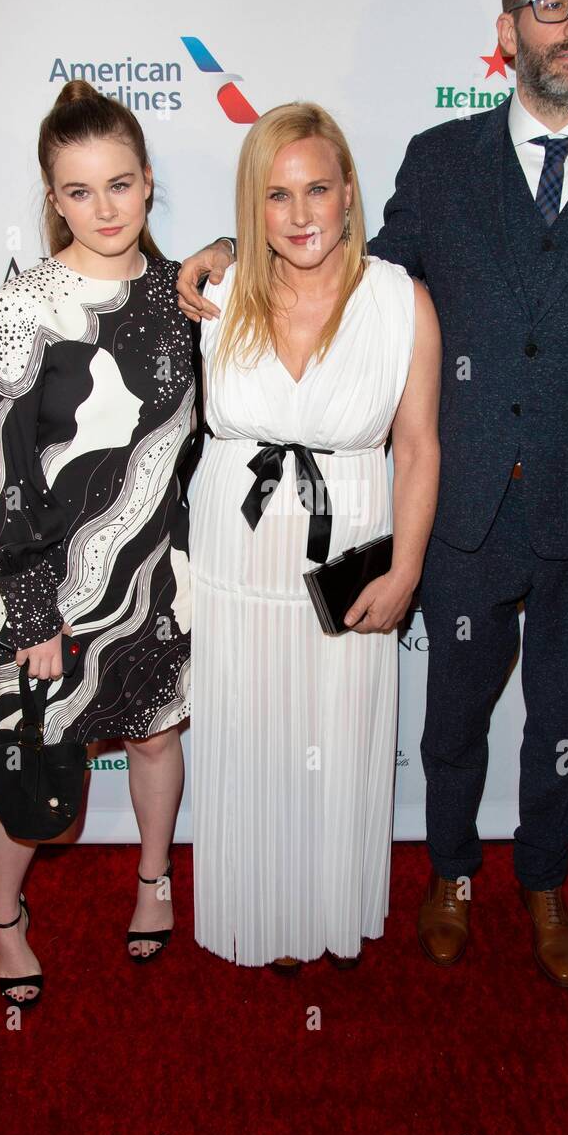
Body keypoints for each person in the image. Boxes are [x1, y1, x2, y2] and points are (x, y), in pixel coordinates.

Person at [176, 0, 568, 988]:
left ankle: (545, 879)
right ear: (506, 26)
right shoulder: (440, 159)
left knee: (560, 717)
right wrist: (237, 244)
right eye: (551, 2)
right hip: (460, 506)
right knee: (455, 714)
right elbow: (354, 268)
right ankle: (452, 871)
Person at [187, 102, 440, 971]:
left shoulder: (400, 301)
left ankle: (323, 908)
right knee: (250, 735)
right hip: (235, 561)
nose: (299, 215)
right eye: (275, 194)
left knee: (333, 741)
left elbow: (416, 447)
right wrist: (214, 255)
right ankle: (262, 912)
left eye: (317, 190)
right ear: (249, 207)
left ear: (347, 195)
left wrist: (406, 569)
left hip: (347, 559)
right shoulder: (214, 295)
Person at [0, 80, 200, 1008]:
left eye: (121, 184)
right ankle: (4, 920)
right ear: (51, 197)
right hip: (43, 589)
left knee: (152, 740)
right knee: (27, 756)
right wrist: (31, 613)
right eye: (78, 191)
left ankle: (153, 881)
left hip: (154, 576)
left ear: (148, 183)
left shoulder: (187, 295)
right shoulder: (23, 310)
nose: (104, 209)